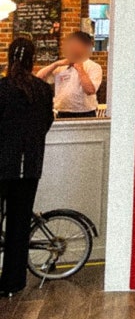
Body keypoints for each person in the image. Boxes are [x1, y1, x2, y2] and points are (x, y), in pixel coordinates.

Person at [0, 37, 55, 297]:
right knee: (19, 225)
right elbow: (46, 124)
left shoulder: (2, 88)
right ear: (33, 60)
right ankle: (13, 282)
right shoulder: (43, 90)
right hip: (30, 166)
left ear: (9, 58)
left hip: (3, 165)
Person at [36, 31, 102, 118]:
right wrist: (55, 64)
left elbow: (90, 91)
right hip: (62, 112)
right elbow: (38, 78)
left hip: (85, 112)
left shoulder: (93, 66)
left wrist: (80, 69)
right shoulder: (61, 65)